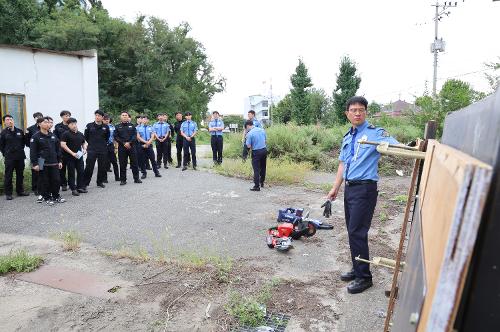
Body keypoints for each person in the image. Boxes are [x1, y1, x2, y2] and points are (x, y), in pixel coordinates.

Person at [326, 96, 399, 295]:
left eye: (361, 110)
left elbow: (396, 146)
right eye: (353, 110)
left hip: (365, 189)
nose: (357, 113)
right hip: (350, 188)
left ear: (366, 112)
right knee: (352, 230)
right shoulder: (348, 136)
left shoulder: (375, 133)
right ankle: (357, 266)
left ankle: (364, 278)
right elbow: (343, 164)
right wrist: (335, 188)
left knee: (357, 231)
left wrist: (413, 146)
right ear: (347, 114)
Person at [30, 116, 65, 206]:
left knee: (56, 180)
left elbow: (58, 149)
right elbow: (33, 152)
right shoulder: (35, 137)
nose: (47, 124)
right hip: (42, 162)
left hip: (54, 162)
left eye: (48, 122)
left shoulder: (53, 136)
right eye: (45, 122)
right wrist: (35, 164)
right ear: (39, 124)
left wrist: (60, 160)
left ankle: (56, 196)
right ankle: (47, 197)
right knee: (44, 181)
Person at [0, 115, 29, 200]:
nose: (9, 121)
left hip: (20, 156)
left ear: (13, 120)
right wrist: (6, 153)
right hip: (10, 158)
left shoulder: (19, 131)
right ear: (4, 122)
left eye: (11, 119)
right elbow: (1, 146)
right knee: (8, 175)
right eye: (7, 120)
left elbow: (23, 142)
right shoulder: (3, 133)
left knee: (20, 175)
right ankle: (8, 193)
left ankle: (20, 191)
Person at [60, 118, 87, 196]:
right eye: (72, 124)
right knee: (71, 173)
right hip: (69, 156)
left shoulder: (80, 134)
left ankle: (80, 187)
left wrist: (85, 149)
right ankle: (73, 189)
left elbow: (84, 143)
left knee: (81, 171)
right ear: (68, 125)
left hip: (79, 155)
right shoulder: (65, 134)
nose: (74, 125)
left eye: (75, 124)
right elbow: (63, 145)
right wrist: (72, 153)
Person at [83, 110, 110, 189]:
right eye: (96, 115)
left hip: (102, 149)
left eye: (99, 116)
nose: (97, 117)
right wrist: (91, 144)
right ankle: (85, 183)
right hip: (92, 149)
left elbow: (107, 137)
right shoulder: (89, 125)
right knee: (89, 167)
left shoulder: (106, 127)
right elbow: (86, 137)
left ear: (102, 117)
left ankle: (100, 182)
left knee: (102, 167)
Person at [114, 111, 142, 185]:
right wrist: (124, 143)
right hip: (122, 147)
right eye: (123, 115)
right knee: (123, 164)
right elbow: (116, 137)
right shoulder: (117, 126)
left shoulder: (132, 126)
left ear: (128, 117)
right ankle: (123, 180)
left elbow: (135, 135)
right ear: (120, 117)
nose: (124, 116)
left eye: (126, 115)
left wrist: (129, 143)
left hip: (132, 146)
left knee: (134, 163)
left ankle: (136, 178)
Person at [245, 120, 267, 191]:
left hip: (256, 152)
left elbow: (248, 146)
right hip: (264, 150)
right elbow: (265, 140)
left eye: (246, 128)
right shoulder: (262, 130)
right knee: (263, 167)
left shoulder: (250, 133)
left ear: (248, 126)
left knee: (256, 169)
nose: (246, 129)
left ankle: (256, 186)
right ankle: (262, 182)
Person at [26, 113, 43, 194]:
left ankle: (42, 187)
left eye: (40, 117)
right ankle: (35, 188)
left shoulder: (45, 128)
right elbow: (27, 141)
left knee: (42, 170)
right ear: (34, 118)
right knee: (35, 170)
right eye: (37, 117)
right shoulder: (30, 129)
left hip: (43, 154)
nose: (38, 118)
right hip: (35, 153)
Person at [54, 110, 71, 191]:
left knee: (71, 168)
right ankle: (63, 184)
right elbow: (56, 138)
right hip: (61, 150)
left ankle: (72, 184)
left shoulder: (72, 125)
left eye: (68, 116)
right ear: (62, 117)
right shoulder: (58, 126)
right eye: (65, 116)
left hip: (71, 150)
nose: (67, 117)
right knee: (62, 169)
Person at [103, 115, 120, 182]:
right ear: (102, 119)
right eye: (105, 119)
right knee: (104, 163)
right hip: (103, 146)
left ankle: (117, 177)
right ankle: (104, 178)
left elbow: (115, 138)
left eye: (108, 119)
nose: (106, 120)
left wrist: (116, 147)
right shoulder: (101, 127)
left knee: (114, 162)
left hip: (110, 146)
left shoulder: (112, 127)